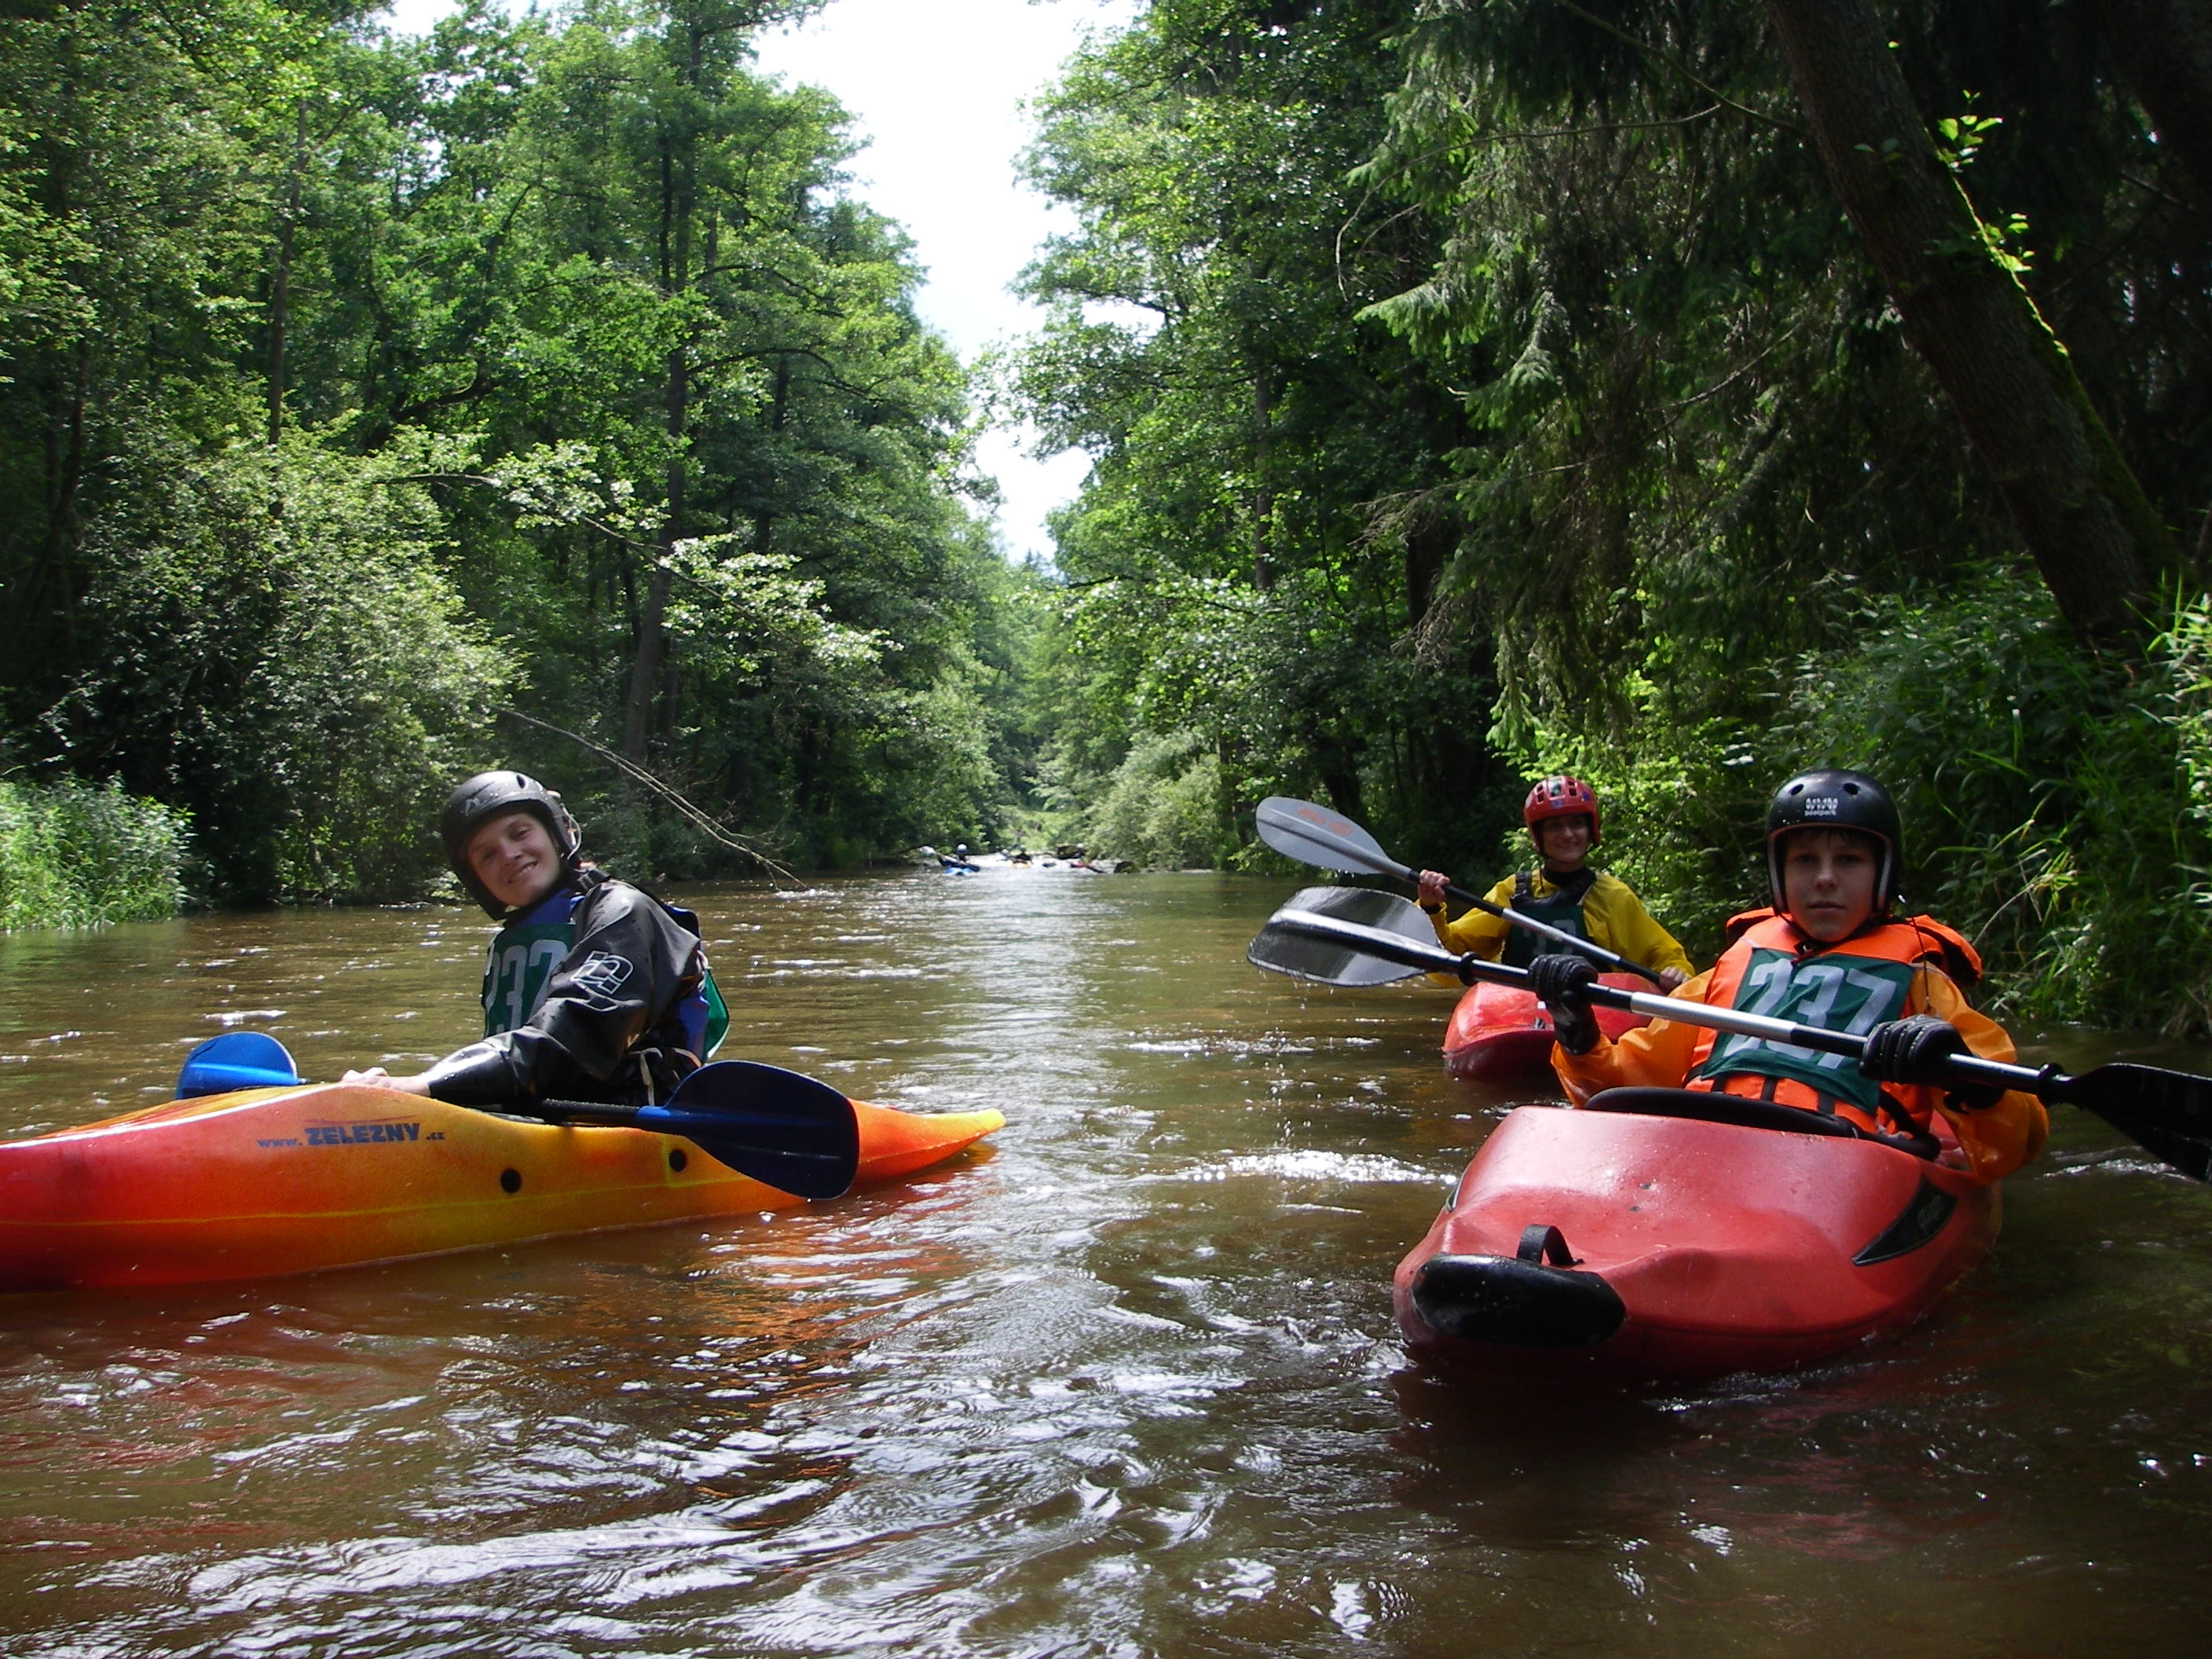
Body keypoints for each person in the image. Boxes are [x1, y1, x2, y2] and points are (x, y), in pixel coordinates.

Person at [1526, 768, 2048, 1184]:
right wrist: (1576, 1028)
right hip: (1705, 1154)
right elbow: (1614, 1087)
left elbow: (2014, 1146)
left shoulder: (1922, 985)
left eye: (1849, 860)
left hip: (1847, 1171)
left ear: (1883, 875)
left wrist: (1968, 1078)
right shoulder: (1726, 974)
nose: (1824, 878)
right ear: (1780, 873)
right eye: (1804, 860)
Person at [341, 771, 727, 1106]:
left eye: (520, 833)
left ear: (556, 833)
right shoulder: (513, 939)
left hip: (630, 1123)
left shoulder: (623, 912)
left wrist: (424, 1085)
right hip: (537, 1118)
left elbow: (573, 1034)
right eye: (487, 855)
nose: (509, 854)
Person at [1415, 775, 1694, 991]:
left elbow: (1667, 958)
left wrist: (1676, 973)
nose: (1568, 834)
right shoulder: (1512, 893)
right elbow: (1448, 959)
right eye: (1555, 826)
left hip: (1594, 1014)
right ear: (1538, 837)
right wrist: (1430, 907)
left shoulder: (1614, 897)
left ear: (1591, 830)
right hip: (1520, 1011)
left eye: (1577, 824)